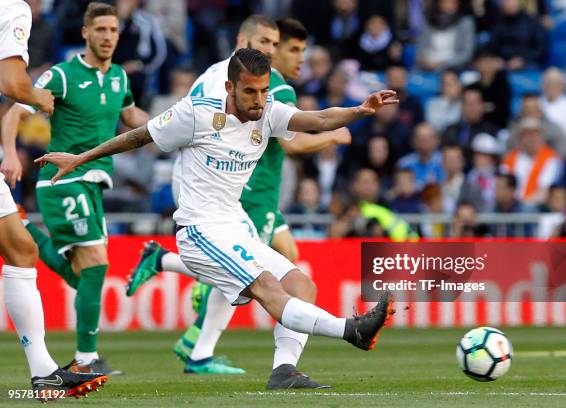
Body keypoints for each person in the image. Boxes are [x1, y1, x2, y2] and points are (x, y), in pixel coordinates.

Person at [36, 47, 397, 390]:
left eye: (264, 90)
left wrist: (360, 109)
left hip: (237, 227)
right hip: (200, 231)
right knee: (267, 287)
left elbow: (317, 119)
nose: (258, 100)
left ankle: (284, 371)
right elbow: (137, 136)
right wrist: (82, 158)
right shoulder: (195, 114)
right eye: (250, 91)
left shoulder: (268, 111)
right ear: (229, 87)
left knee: (302, 286)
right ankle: (353, 330)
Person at [127, 17, 351, 383]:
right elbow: (293, 142)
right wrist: (333, 137)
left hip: (228, 190)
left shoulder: (217, 74)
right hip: (242, 194)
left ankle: (196, 327)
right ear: (243, 40)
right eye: (273, 43)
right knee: (253, 274)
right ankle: (204, 346)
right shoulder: (268, 87)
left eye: (280, 45)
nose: (275, 51)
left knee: (281, 261)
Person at [2, 2, 150, 375]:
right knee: (97, 267)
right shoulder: (63, 75)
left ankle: (25, 230)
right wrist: (11, 154)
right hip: (65, 180)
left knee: (84, 276)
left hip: (95, 182)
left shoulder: (119, 77)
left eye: (113, 30)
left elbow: (133, 118)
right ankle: (85, 360)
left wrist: (181, 126)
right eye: (100, 30)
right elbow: (15, 111)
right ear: (85, 33)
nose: (107, 37)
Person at [0, 0, 107, 399]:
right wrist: (38, 97)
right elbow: (13, 85)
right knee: (20, 249)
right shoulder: (12, 8)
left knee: (21, 247)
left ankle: (44, 371)